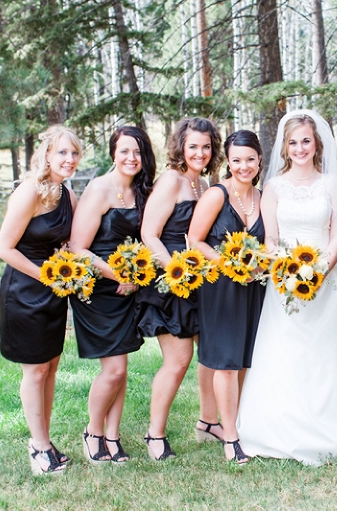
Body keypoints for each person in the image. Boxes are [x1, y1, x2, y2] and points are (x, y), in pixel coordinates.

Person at [236, 110, 337, 466]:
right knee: (288, 352)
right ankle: (283, 426)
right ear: (285, 147)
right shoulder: (274, 188)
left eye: (306, 141)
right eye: (293, 142)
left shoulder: (330, 182)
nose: (300, 148)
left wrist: (321, 269)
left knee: (329, 353)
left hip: (328, 279)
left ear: (316, 143)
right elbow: (271, 238)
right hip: (285, 280)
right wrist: (289, 270)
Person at [136, 117, 223, 460]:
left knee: (212, 354)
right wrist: (175, 270)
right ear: (180, 147)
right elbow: (149, 233)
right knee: (179, 360)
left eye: (206, 147)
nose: (200, 153)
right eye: (193, 146)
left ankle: (208, 422)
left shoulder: (203, 184)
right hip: (170, 281)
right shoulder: (172, 180)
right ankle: (155, 434)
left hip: (200, 282)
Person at [0, 125, 81, 475]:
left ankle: (44, 440)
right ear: (46, 155)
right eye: (62, 152)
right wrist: (46, 275)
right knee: (35, 371)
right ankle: (39, 447)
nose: (69, 159)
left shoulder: (68, 196)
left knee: (51, 367)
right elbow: (3, 248)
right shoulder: (29, 191)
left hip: (53, 293)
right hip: (24, 291)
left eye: (74, 153)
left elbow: (71, 244)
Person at [69, 126, 155, 465]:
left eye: (137, 152)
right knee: (115, 369)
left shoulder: (141, 191)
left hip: (128, 288)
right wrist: (117, 274)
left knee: (121, 366)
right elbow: (77, 248)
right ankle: (93, 432)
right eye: (124, 151)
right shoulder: (99, 188)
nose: (131, 158)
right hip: (98, 288)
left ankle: (113, 436)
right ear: (113, 154)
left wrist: (136, 276)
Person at [187, 130, 265, 464]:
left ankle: (241, 424)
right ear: (228, 162)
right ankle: (230, 437)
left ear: (259, 160)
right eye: (236, 160)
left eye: (250, 159)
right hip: (220, 288)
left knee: (246, 360)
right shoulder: (216, 195)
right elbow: (195, 240)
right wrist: (230, 265)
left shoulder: (264, 197)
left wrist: (260, 265)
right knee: (227, 363)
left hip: (255, 288)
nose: (243, 166)